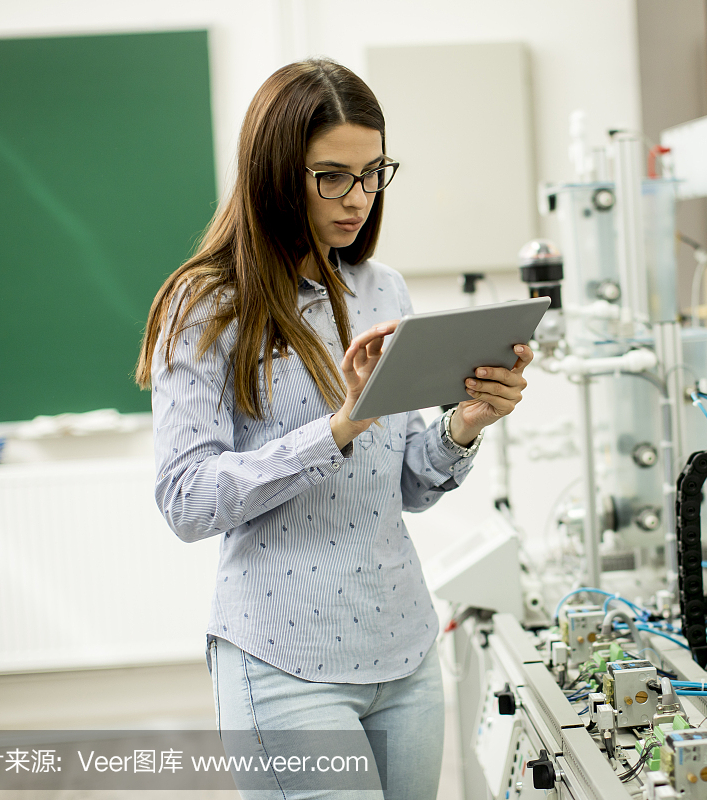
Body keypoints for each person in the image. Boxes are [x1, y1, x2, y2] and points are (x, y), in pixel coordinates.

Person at [134, 58, 533, 799]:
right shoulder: (205, 305)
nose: (359, 198)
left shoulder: (382, 286)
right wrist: (339, 425)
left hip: (404, 649)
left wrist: (464, 425)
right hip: (284, 662)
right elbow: (186, 501)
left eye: (373, 172)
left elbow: (408, 483)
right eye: (333, 177)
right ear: (276, 174)